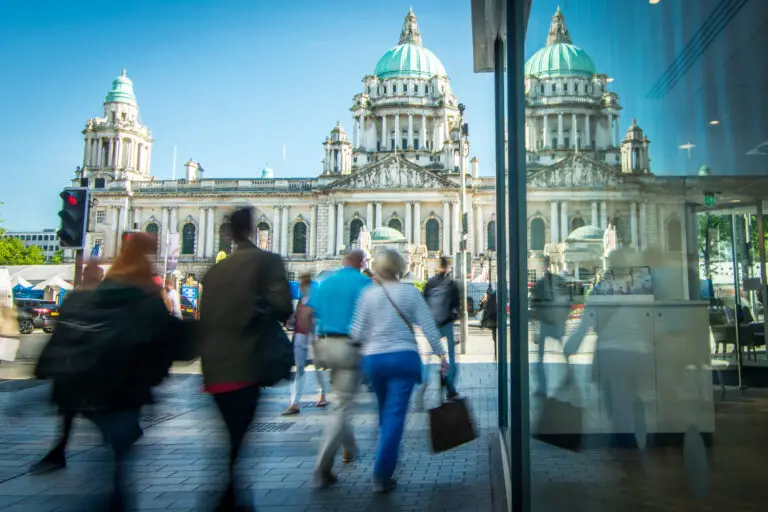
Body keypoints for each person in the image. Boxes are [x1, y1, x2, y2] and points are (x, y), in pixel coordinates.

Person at [35, 235, 177, 511]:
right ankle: (115, 499)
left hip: (99, 379)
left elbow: (76, 329)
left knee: (109, 450)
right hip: (128, 383)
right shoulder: (146, 290)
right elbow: (164, 335)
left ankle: (109, 497)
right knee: (119, 454)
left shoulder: (104, 289)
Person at [199, 207, 292, 512]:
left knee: (231, 433)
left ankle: (228, 494)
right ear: (253, 230)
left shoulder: (212, 273)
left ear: (229, 233)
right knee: (238, 433)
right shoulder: (266, 262)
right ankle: (229, 497)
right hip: (248, 362)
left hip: (212, 368)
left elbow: (205, 318)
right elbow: (282, 309)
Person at [350, 249, 447, 493]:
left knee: (384, 412)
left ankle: (387, 454)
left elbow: (356, 333)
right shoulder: (409, 293)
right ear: (400, 267)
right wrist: (441, 354)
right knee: (394, 416)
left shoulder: (368, 295)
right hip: (403, 358)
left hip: (374, 361)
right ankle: (382, 473)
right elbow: (428, 326)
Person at [29, 262, 105, 476]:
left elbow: (63, 331)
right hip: (81, 364)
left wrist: (46, 361)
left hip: (76, 364)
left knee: (74, 409)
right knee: (74, 409)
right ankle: (59, 451)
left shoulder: (80, 297)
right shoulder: (97, 298)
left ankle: (60, 451)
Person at [311, 249, 371, 488]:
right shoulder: (365, 283)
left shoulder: (326, 281)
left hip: (324, 345)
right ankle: (322, 466)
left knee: (340, 398)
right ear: (361, 262)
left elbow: (306, 313)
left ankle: (349, 447)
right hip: (348, 346)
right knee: (342, 405)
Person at [282, 272, 328, 415]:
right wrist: (290, 321)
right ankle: (295, 402)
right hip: (300, 338)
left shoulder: (315, 301)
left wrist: (312, 319)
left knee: (318, 367)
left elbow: (321, 319)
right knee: (299, 369)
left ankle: (322, 394)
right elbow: (291, 322)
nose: (302, 287)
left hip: (312, 338)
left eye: (304, 284)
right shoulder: (298, 301)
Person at [531, 256, 571, 396]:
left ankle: (543, 387)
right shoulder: (557, 281)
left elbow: (534, 306)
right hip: (552, 322)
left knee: (542, 357)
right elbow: (567, 301)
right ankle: (567, 376)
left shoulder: (540, 284)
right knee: (560, 351)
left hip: (547, 323)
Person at [423, 257, 460, 385]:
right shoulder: (451, 283)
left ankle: (424, 380)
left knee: (429, 355)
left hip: (433, 324)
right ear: (448, 267)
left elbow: (424, 302)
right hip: (447, 323)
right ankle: (450, 385)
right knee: (452, 356)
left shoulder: (430, 282)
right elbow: (456, 304)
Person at [480, 287, 498, 361]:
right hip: (497, 318)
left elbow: (486, 309)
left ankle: (496, 354)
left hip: (492, 319)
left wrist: (483, 321)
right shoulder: (499, 295)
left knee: (495, 337)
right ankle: (497, 354)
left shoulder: (491, 297)